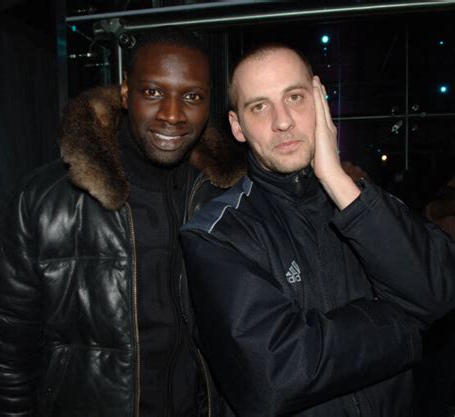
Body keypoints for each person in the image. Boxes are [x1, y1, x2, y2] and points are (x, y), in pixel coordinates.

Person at [180, 43, 455, 417]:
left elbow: (437, 291)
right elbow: (276, 376)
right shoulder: (216, 234)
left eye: (294, 97)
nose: (282, 121)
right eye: (259, 106)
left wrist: (336, 180)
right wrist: (410, 325)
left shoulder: (365, 205)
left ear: (321, 101)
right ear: (237, 127)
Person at [0, 29, 244, 417]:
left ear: (209, 106)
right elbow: (4, 352)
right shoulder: (45, 201)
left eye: (192, 97)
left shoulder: (224, 198)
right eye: (153, 92)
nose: (172, 114)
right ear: (126, 93)